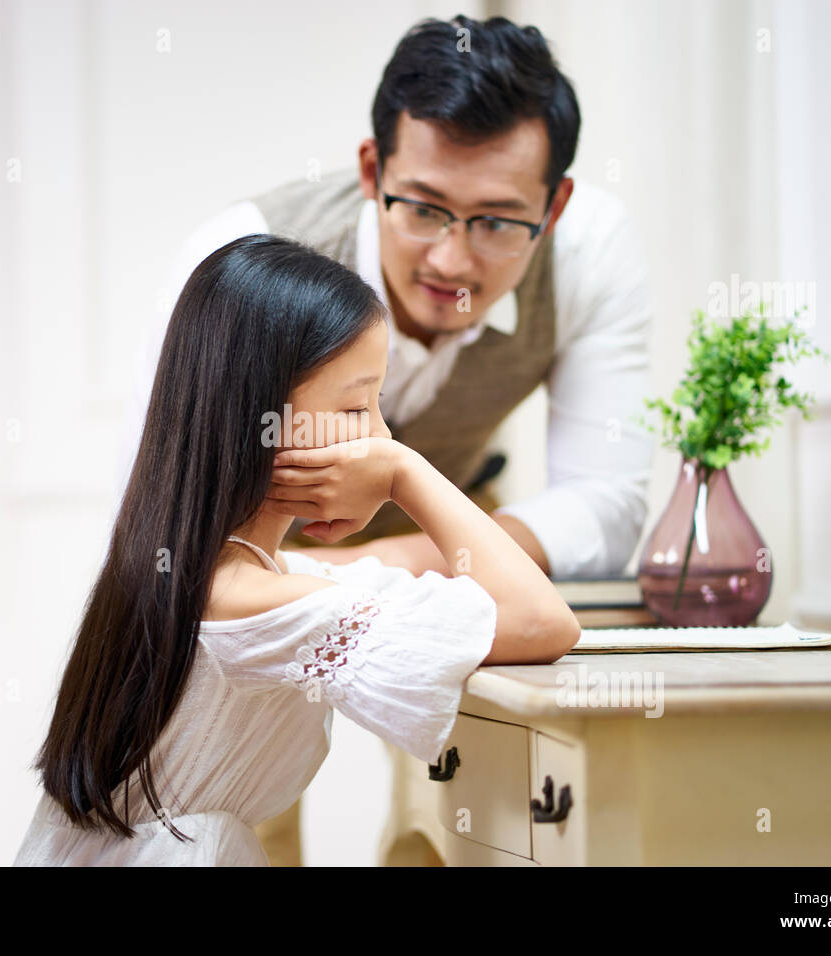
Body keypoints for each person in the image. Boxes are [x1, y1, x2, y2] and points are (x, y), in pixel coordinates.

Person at [127, 14, 656, 863]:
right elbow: (165, 515)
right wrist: (299, 569)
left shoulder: (595, 253)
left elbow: (607, 500)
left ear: (555, 207)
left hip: (449, 517)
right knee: (238, 793)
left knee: (459, 797)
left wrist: (379, 548)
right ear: (373, 170)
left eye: (496, 221)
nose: (451, 261)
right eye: (424, 208)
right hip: (257, 549)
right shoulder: (240, 261)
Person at [13, 235, 580, 866]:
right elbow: (542, 622)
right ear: (262, 418)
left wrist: (396, 473)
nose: (379, 436)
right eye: (357, 406)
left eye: (380, 407)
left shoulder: (225, 577)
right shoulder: (252, 602)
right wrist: (404, 473)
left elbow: (412, 573)